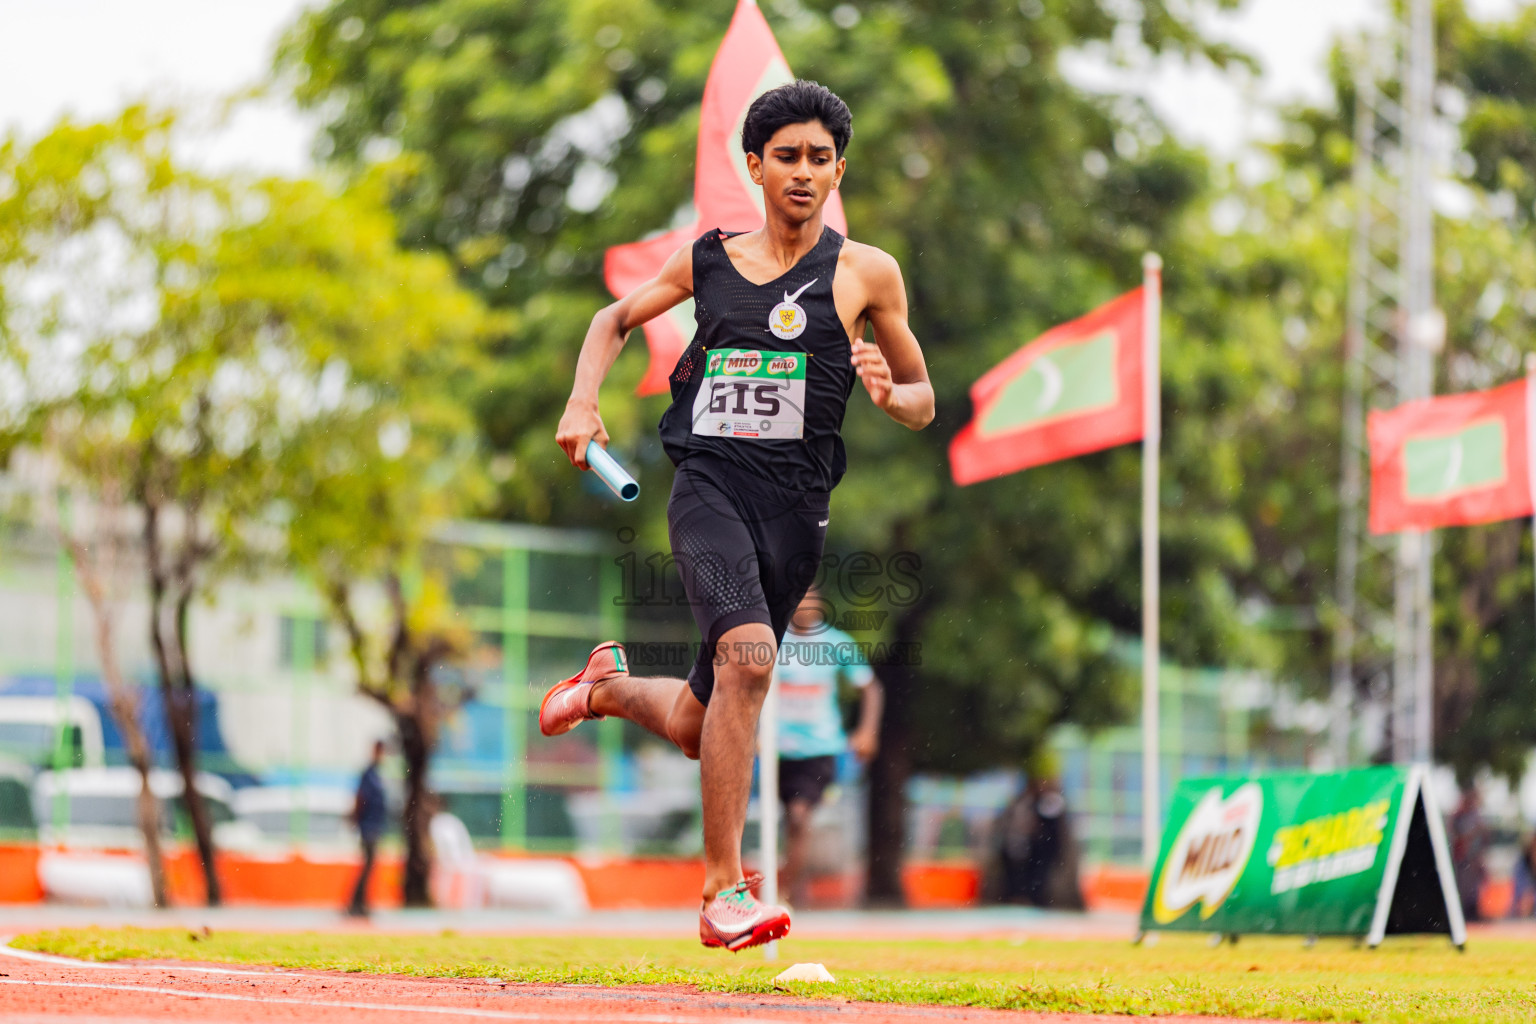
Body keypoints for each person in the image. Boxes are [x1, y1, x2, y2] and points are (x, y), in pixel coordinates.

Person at [543, 80, 933, 951]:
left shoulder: (867, 273)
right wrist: (582, 401)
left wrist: (888, 395)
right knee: (751, 661)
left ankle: (602, 688)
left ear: (839, 172)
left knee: (699, 722)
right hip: (710, 490)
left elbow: (924, 398)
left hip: (797, 515)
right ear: (755, 166)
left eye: (821, 158)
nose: (804, 172)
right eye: (787, 156)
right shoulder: (709, 261)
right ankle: (723, 891)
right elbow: (613, 319)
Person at [773, 586, 883, 908]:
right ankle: (794, 885)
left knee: (799, 816)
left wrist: (867, 731)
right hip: (779, 750)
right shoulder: (774, 643)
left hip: (820, 749)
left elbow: (870, 687)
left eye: (812, 601)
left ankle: (783, 891)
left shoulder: (836, 643)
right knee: (790, 820)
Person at [346, 739, 387, 918]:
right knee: (367, 866)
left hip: (374, 825)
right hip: (368, 826)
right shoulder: (369, 774)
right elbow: (361, 797)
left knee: (369, 866)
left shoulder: (377, 774)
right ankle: (356, 903)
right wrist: (356, 818)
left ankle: (360, 902)